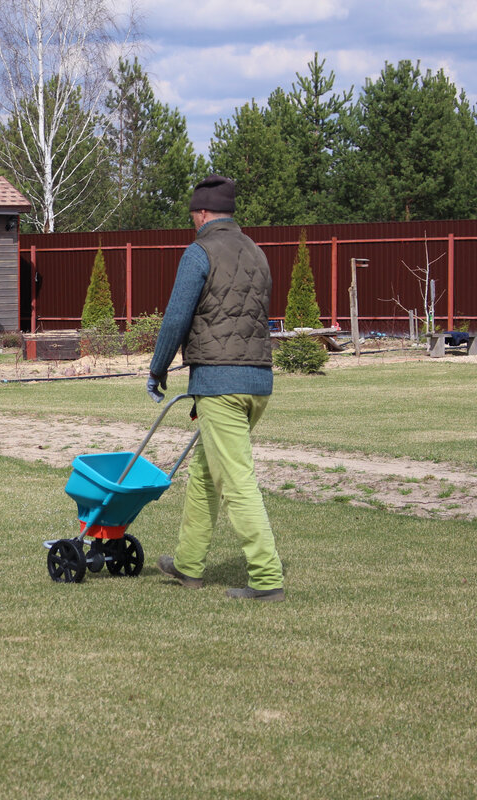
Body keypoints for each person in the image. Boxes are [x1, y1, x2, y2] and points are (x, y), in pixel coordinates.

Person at [147, 174, 285, 602]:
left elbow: (175, 318)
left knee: (237, 481)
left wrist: (158, 369)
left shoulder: (199, 252)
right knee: (206, 473)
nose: (193, 223)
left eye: (193, 216)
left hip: (220, 384)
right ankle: (188, 565)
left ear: (203, 213)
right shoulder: (257, 253)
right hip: (258, 382)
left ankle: (266, 579)